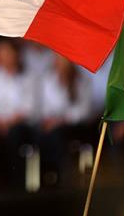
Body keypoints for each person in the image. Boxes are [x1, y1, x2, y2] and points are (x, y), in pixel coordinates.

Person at [0, 39, 36, 191]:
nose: (2, 56)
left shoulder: (27, 78)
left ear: (15, 54)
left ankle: (15, 187)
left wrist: (9, 123)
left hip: (18, 124)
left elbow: (28, 107)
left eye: (6, 51)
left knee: (15, 136)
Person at [37, 54, 92, 187]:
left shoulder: (82, 81)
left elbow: (83, 111)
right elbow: (44, 108)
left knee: (58, 135)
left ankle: (65, 176)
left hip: (76, 127)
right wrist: (53, 120)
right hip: (53, 125)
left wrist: (61, 120)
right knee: (41, 136)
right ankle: (48, 178)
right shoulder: (48, 80)